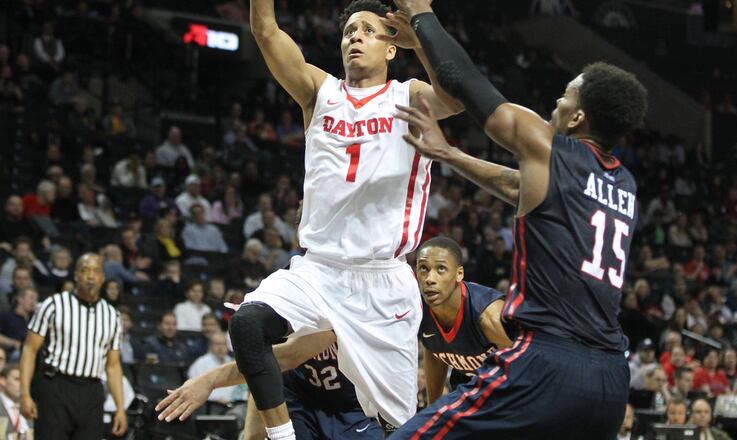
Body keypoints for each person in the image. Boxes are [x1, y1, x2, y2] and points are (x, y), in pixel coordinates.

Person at [389, 0, 647, 437]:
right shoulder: (624, 185)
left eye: (566, 95)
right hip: (609, 377)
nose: (557, 101)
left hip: (547, 360)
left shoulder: (546, 145)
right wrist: (450, 154)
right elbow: (517, 187)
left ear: (579, 116)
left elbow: (464, 82)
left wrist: (420, 14)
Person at [230, 0, 461, 437]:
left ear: (392, 48)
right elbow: (265, 30)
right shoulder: (321, 92)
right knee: (247, 323)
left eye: (368, 31)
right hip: (318, 269)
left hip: (383, 281)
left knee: (399, 425)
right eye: (349, 31)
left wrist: (423, 39)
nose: (354, 36)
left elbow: (457, 95)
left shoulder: (408, 96)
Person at [156, 332, 385, 439]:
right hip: (301, 399)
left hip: (351, 407)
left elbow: (290, 355)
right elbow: (263, 370)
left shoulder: (345, 304)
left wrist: (210, 379)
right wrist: (251, 435)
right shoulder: (279, 313)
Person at [19, 253, 126, 439]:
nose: (91, 276)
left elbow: (113, 365)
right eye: (85, 271)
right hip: (56, 386)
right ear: (76, 275)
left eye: (96, 271)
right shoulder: (53, 305)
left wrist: (120, 408)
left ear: (102, 277)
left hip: (92, 391)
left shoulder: (113, 316)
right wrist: (24, 394)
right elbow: (29, 350)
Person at [415, 237, 511, 404]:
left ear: (459, 274)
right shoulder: (419, 310)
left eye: (441, 269)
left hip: (506, 393)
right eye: (424, 268)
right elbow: (435, 350)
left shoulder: (488, 316)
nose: (430, 278)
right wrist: (433, 408)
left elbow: (528, 363)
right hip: (467, 387)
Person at [0, 364, 32, 437]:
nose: (22, 384)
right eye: (17, 379)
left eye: (24, 380)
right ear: (2, 381)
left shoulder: (31, 407)